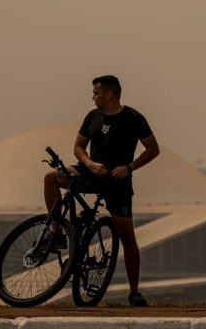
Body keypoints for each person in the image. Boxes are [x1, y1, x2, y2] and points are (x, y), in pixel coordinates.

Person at [43, 74, 160, 307]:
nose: (92, 97)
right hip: (90, 172)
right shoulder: (92, 116)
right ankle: (57, 229)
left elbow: (153, 149)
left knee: (127, 237)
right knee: (51, 178)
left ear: (109, 94)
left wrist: (129, 167)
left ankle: (134, 292)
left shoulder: (134, 118)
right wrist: (89, 164)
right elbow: (78, 147)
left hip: (117, 181)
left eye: (96, 93)